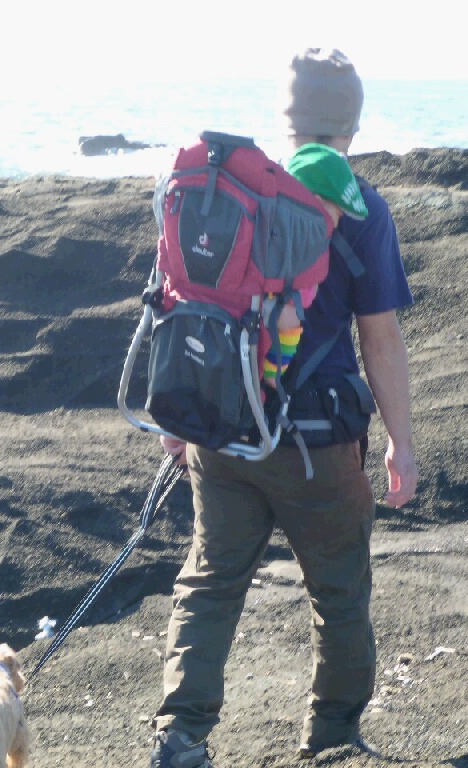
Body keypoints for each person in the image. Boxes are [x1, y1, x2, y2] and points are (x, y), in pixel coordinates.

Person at [150, 47, 418, 767]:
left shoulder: (231, 194)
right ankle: (330, 741)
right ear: (352, 124)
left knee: (210, 583)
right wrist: (402, 442)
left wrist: (178, 419)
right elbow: (380, 338)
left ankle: (181, 737)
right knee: (339, 594)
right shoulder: (362, 208)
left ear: (286, 119)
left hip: (222, 430)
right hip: (316, 447)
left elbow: (181, 300)